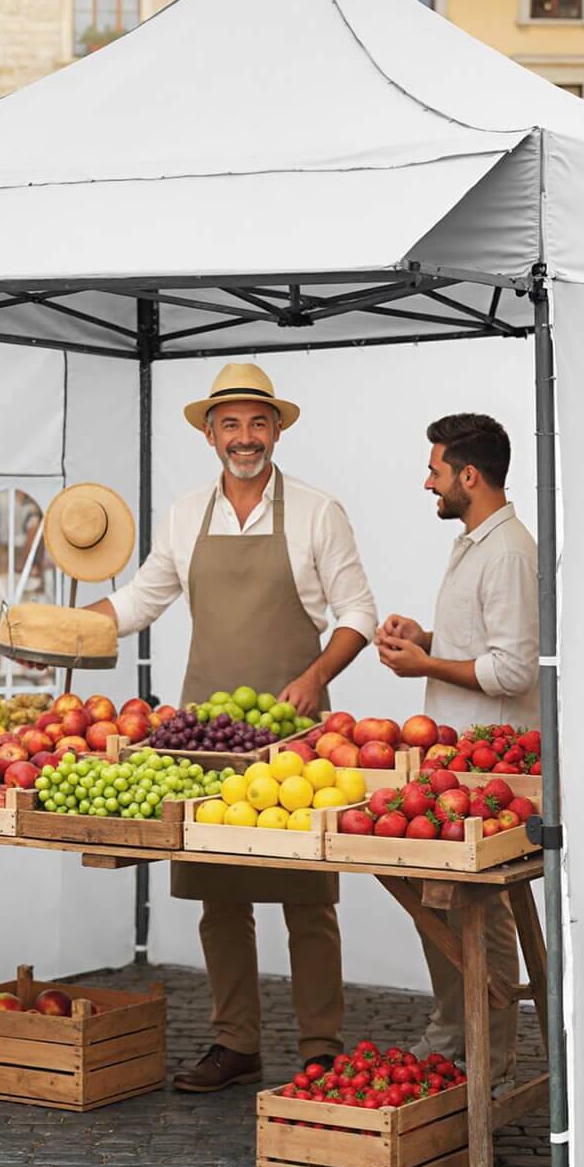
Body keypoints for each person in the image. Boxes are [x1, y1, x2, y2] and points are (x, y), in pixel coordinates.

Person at [88, 362, 378, 1092]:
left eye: (257, 423)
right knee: (220, 896)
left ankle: (321, 1047)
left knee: (309, 899)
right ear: (210, 434)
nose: (244, 438)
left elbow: (359, 615)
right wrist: (64, 631)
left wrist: (315, 678)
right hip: (204, 735)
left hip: (293, 734)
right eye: (230, 424)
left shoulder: (318, 511)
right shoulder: (186, 514)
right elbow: (139, 602)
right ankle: (234, 1042)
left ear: (276, 430)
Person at [377, 414, 540, 1085]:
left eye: (436, 470)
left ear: (469, 477)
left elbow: (513, 670)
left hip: (489, 771)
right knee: (439, 904)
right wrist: (429, 637)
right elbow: (482, 640)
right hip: (457, 764)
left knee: (480, 912)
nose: (428, 482)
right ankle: (454, 1034)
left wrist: (425, 666)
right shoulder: (478, 543)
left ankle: (488, 1054)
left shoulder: (506, 553)